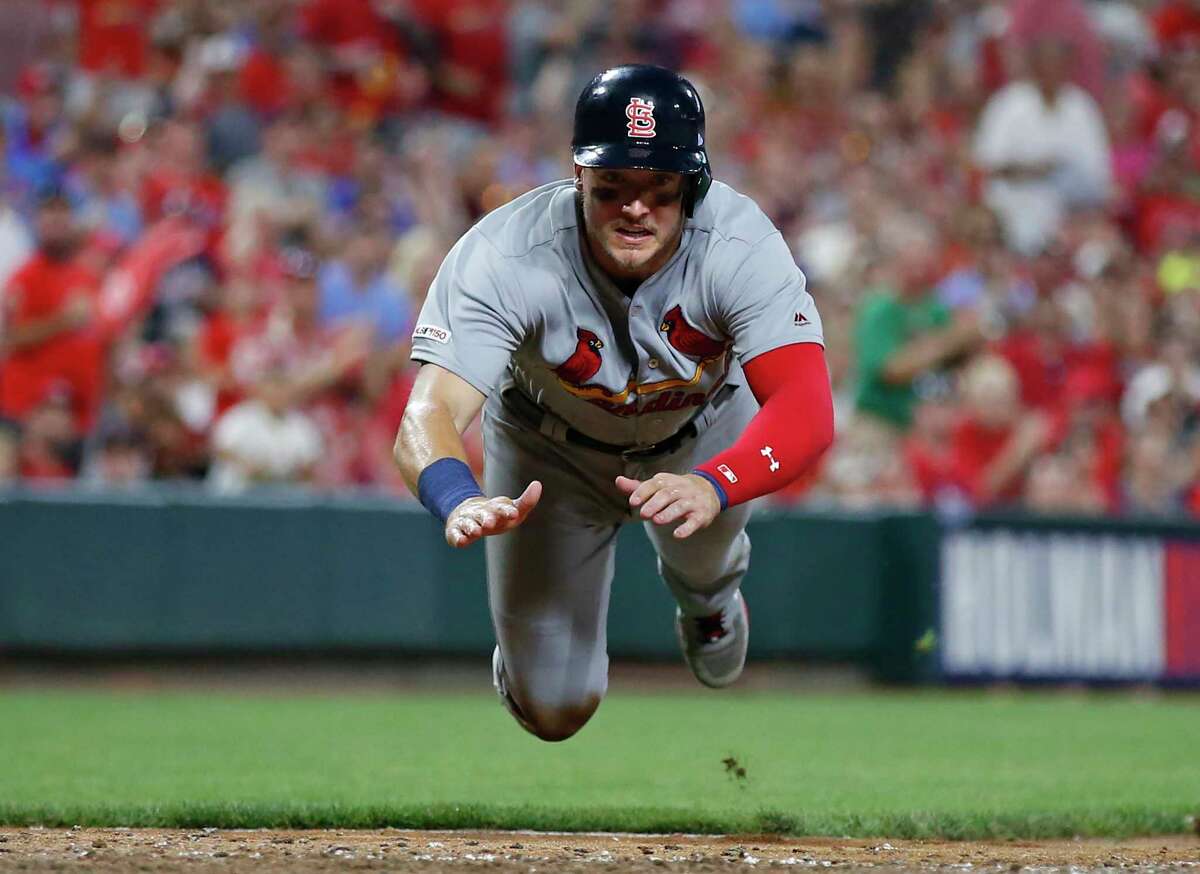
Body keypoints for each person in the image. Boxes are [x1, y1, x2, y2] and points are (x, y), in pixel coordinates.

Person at [394, 65, 834, 742]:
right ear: (578, 176)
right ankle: (528, 658)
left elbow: (806, 409)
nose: (636, 207)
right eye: (615, 186)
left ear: (695, 183)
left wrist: (718, 483)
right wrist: (458, 495)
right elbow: (427, 415)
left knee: (706, 565)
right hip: (549, 451)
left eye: (660, 188)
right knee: (555, 708)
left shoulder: (741, 246)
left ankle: (710, 601)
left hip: (702, 431)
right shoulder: (506, 255)